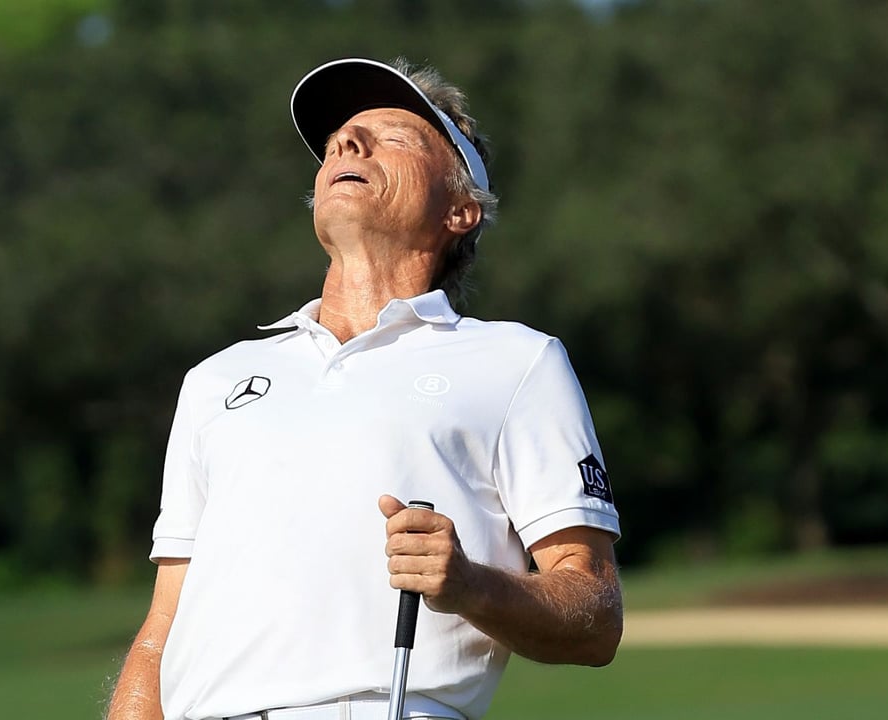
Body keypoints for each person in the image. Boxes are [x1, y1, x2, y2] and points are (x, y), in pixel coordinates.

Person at [107, 57, 623, 720]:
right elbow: (160, 634)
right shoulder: (215, 380)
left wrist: (469, 586)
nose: (348, 144)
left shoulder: (516, 362)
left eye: (395, 137)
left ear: (462, 209)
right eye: (337, 142)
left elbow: (594, 615)